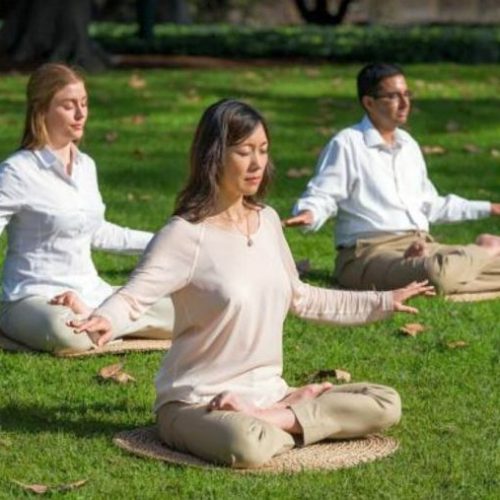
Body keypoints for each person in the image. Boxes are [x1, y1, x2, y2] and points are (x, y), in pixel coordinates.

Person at [71, 99, 434, 468]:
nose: (258, 163)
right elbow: (135, 296)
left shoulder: (268, 221)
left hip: (269, 395)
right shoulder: (185, 234)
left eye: (263, 150)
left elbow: (303, 298)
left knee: (386, 402)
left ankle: (277, 417)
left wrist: (383, 301)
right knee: (247, 445)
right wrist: (106, 319)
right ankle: (292, 419)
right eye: (244, 151)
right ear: (215, 155)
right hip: (196, 403)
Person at [0, 63, 173, 354]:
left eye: (84, 104)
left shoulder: (85, 166)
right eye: (69, 106)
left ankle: (95, 318)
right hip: (32, 298)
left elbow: (99, 233)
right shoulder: (17, 171)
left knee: (187, 312)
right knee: (65, 332)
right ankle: (99, 322)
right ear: (41, 109)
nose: (81, 114)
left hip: (89, 292)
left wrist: (165, 242)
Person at [284, 63, 500, 294]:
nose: (405, 103)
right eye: (393, 96)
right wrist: (309, 213)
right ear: (369, 102)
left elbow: (430, 205)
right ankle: (485, 251)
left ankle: (442, 278)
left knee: (438, 272)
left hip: (421, 246)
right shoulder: (347, 143)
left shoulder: (408, 145)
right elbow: (323, 195)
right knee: (437, 275)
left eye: (407, 94)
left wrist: (488, 207)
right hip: (368, 253)